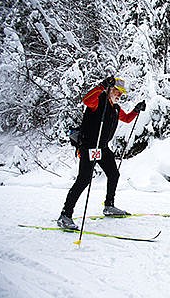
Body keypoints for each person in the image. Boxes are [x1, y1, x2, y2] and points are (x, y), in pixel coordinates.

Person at [57, 76, 146, 229]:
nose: (119, 95)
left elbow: (126, 119)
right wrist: (101, 86)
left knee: (114, 174)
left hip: (102, 148)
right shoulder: (99, 101)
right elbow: (86, 100)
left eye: (121, 93)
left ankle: (109, 206)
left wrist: (136, 111)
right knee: (84, 180)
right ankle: (65, 215)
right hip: (89, 147)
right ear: (110, 89)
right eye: (117, 91)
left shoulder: (116, 109)